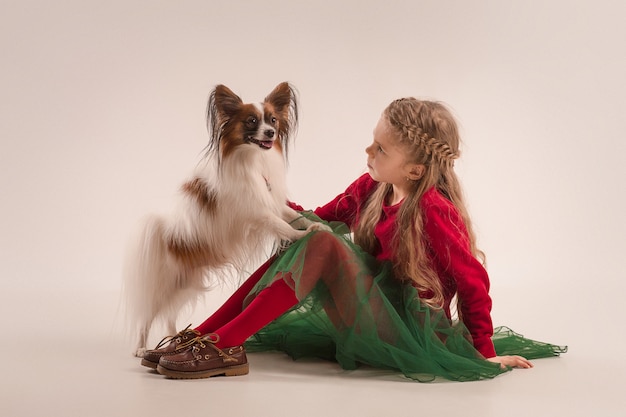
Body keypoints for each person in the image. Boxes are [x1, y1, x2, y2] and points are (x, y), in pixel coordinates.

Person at [141, 97, 566, 381]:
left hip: (409, 332)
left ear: (416, 170)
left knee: (321, 243)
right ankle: (208, 335)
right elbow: (313, 222)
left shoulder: (433, 210)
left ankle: (224, 345)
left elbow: (474, 280)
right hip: (369, 315)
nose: (369, 152)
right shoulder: (371, 187)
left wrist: (483, 351)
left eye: (381, 149)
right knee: (308, 237)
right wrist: (259, 195)